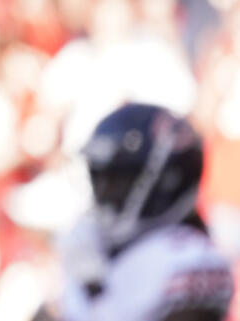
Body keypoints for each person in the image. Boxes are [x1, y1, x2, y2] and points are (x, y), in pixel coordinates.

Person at [56, 103, 234, 321]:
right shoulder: (98, 248)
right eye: (99, 179)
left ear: (168, 181)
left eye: (117, 180)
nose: (104, 193)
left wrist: (94, 290)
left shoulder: (190, 257)